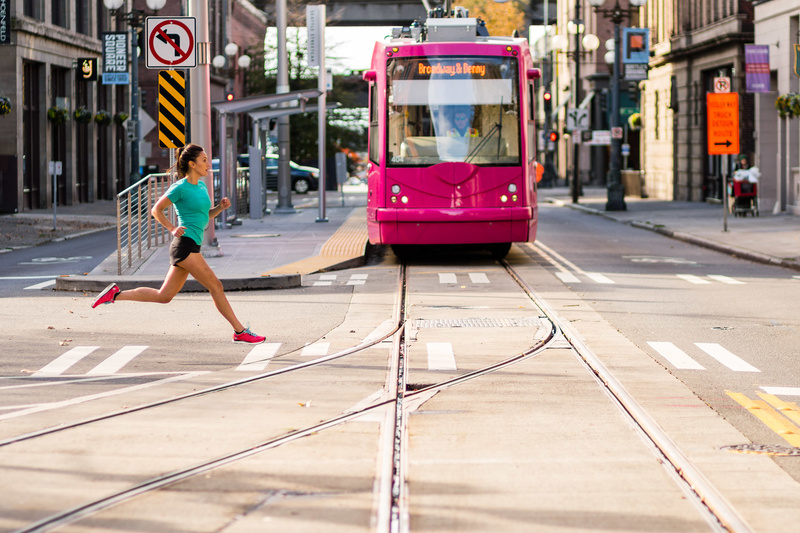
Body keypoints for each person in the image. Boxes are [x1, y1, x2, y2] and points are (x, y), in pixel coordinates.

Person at [92, 143, 266, 345]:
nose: (207, 163)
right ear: (192, 164)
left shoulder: (201, 185)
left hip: (190, 245)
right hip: (185, 245)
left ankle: (115, 295)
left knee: (164, 296)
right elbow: (156, 210)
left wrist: (219, 208)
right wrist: (172, 228)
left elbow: (204, 215)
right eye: (204, 160)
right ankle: (240, 331)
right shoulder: (179, 187)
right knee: (216, 286)